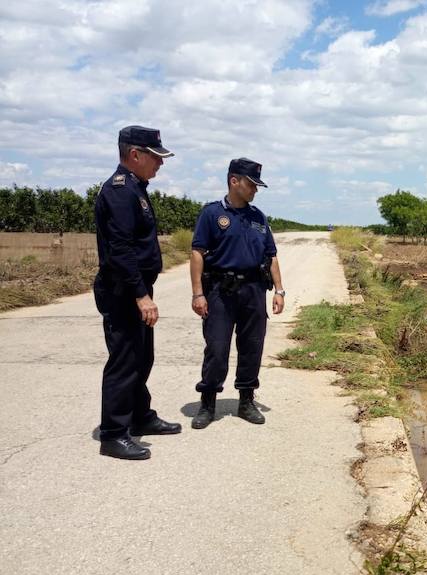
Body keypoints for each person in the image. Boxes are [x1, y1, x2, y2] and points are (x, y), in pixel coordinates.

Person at [94, 126, 182, 460]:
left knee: (142, 357)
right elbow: (121, 249)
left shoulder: (136, 189)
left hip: (136, 288)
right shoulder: (119, 191)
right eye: (155, 157)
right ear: (135, 155)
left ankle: (139, 416)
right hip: (123, 291)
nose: (160, 164)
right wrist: (140, 295)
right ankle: (114, 434)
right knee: (125, 360)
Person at [189, 158, 285, 429]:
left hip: (254, 290)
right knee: (217, 349)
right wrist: (198, 294)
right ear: (234, 181)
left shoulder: (258, 217)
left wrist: (279, 290)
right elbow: (197, 253)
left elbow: (271, 255)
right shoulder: (211, 214)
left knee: (252, 346)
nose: (255, 189)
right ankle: (207, 403)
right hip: (221, 291)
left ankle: (246, 400)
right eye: (251, 184)